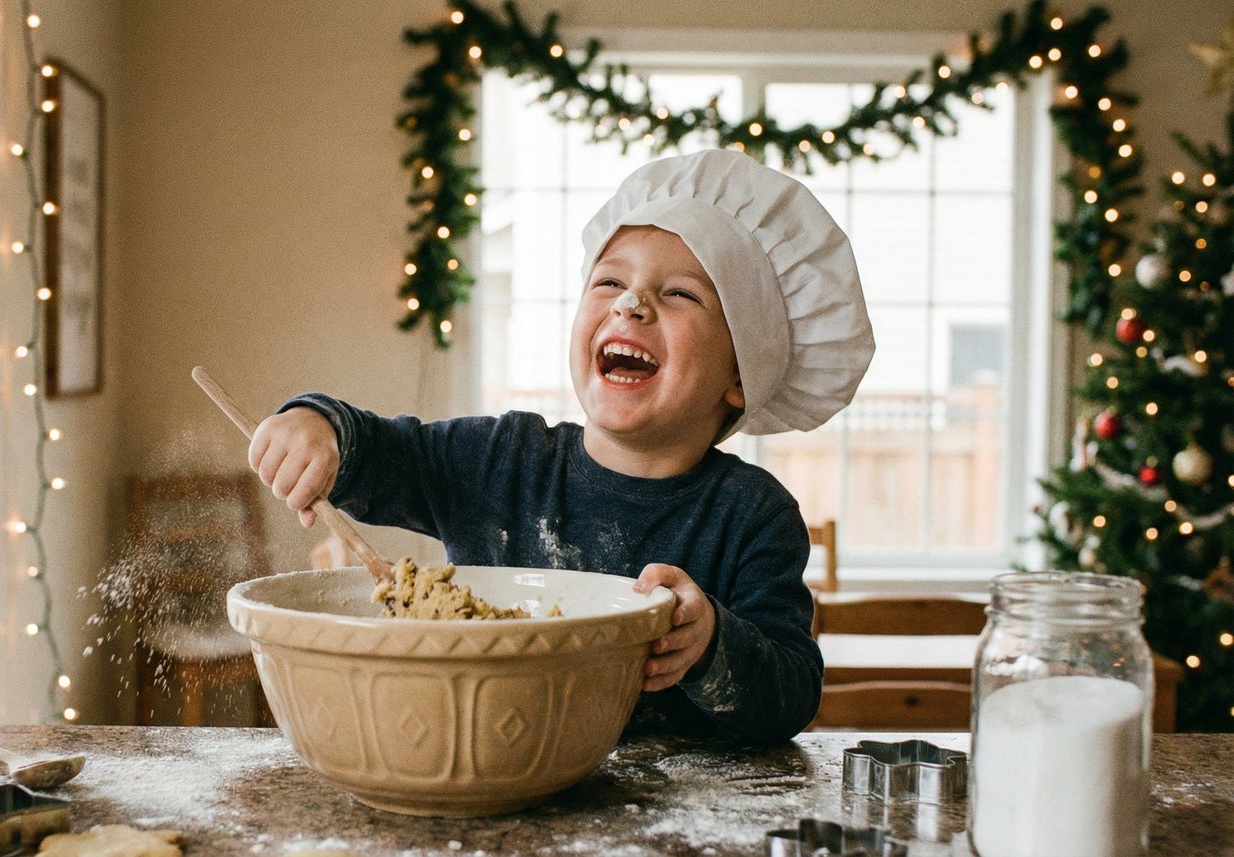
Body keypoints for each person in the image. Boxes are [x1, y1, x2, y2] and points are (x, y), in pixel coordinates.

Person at [247, 149, 874, 744]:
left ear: (741, 376)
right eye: (609, 282)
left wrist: (712, 644)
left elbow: (792, 694)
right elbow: (384, 452)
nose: (631, 303)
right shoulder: (502, 459)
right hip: (492, 775)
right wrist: (321, 426)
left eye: (680, 293)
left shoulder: (753, 515)